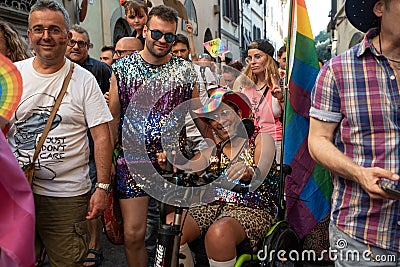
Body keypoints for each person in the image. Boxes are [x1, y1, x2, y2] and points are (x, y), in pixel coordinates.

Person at [7, 0, 113, 266]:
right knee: (16, 260)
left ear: (67, 36)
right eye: (39, 29)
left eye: (54, 29)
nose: (46, 36)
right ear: (28, 35)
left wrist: (101, 188)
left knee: (67, 262)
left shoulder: (84, 79)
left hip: (66, 197)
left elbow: (102, 136)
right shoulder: (12, 75)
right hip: (16, 193)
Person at [308, 0, 400, 266]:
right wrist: (359, 173)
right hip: (362, 235)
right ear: (380, 7)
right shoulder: (338, 70)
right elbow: (318, 140)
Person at [108, 5, 200, 267]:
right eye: (157, 33)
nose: (162, 40)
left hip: (172, 162)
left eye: (169, 36)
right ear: (145, 30)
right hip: (133, 161)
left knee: (170, 234)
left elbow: (196, 114)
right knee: (133, 234)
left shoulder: (185, 70)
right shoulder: (123, 68)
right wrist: (109, 164)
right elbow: (114, 118)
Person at [160, 88, 277, 267]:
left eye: (224, 112)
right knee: (172, 226)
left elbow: (262, 167)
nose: (220, 121)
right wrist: (172, 163)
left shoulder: (261, 139)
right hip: (212, 206)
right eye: (213, 117)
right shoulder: (213, 149)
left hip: (252, 208)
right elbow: (188, 168)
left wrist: (249, 171)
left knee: (219, 233)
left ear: (239, 113)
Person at [65, 24, 112, 267]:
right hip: (66, 146)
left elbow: (111, 109)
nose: (75, 46)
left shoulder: (101, 70)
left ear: (88, 46)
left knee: (92, 196)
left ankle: (94, 245)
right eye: (71, 42)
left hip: (92, 144)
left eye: (81, 43)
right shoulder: (57, 69)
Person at [239, 39, 284, 164]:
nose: (252, 62)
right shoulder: (245, 86)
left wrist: (280, 97)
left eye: (258, 57)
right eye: (250, 58)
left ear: (268, 59)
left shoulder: (279, 82)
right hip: (251, 143)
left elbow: (290, 115)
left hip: (275, 141)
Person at [171, 33, 216, 157]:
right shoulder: (167, 76)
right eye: (175, 52)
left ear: (189, 51)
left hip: (200, 133)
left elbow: (215, 99)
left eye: (182, 51)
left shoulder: (203, 71)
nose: (179, 55)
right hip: (179, 136)